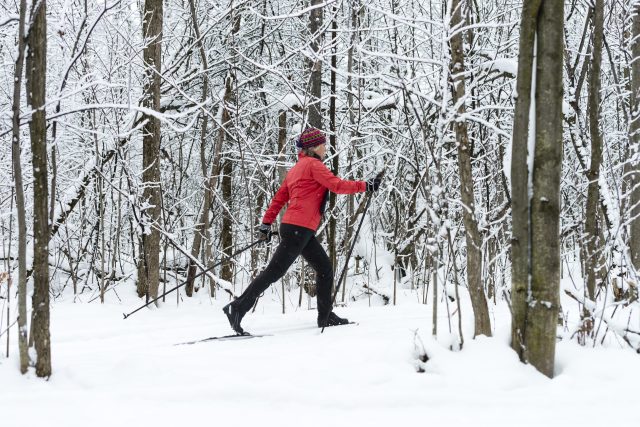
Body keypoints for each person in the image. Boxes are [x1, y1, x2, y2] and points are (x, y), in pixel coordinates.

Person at [223, 127, 381, 334]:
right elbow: (337, 185)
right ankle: (237, 307)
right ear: (314, 147)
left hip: (298, 229)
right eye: (323, 145)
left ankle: (325, 316)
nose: (325, 149)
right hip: (299, 228)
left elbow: (279, 198)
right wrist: (365, 185)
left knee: (325, 268)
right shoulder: (314, 165)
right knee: (274, 272)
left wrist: (266, 224)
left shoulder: (297, 168)